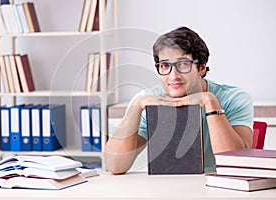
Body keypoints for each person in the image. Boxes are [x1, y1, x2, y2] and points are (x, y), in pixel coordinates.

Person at [105, 26, 254, 174]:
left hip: (219, 188)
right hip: (168, 188)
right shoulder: (148, 100)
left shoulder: (233, 98)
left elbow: (236, 165)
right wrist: (136, 106)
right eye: (165, 65)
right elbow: (114, 166)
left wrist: (210, 102)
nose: (173, 76)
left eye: (183, 64)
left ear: (202, 68)